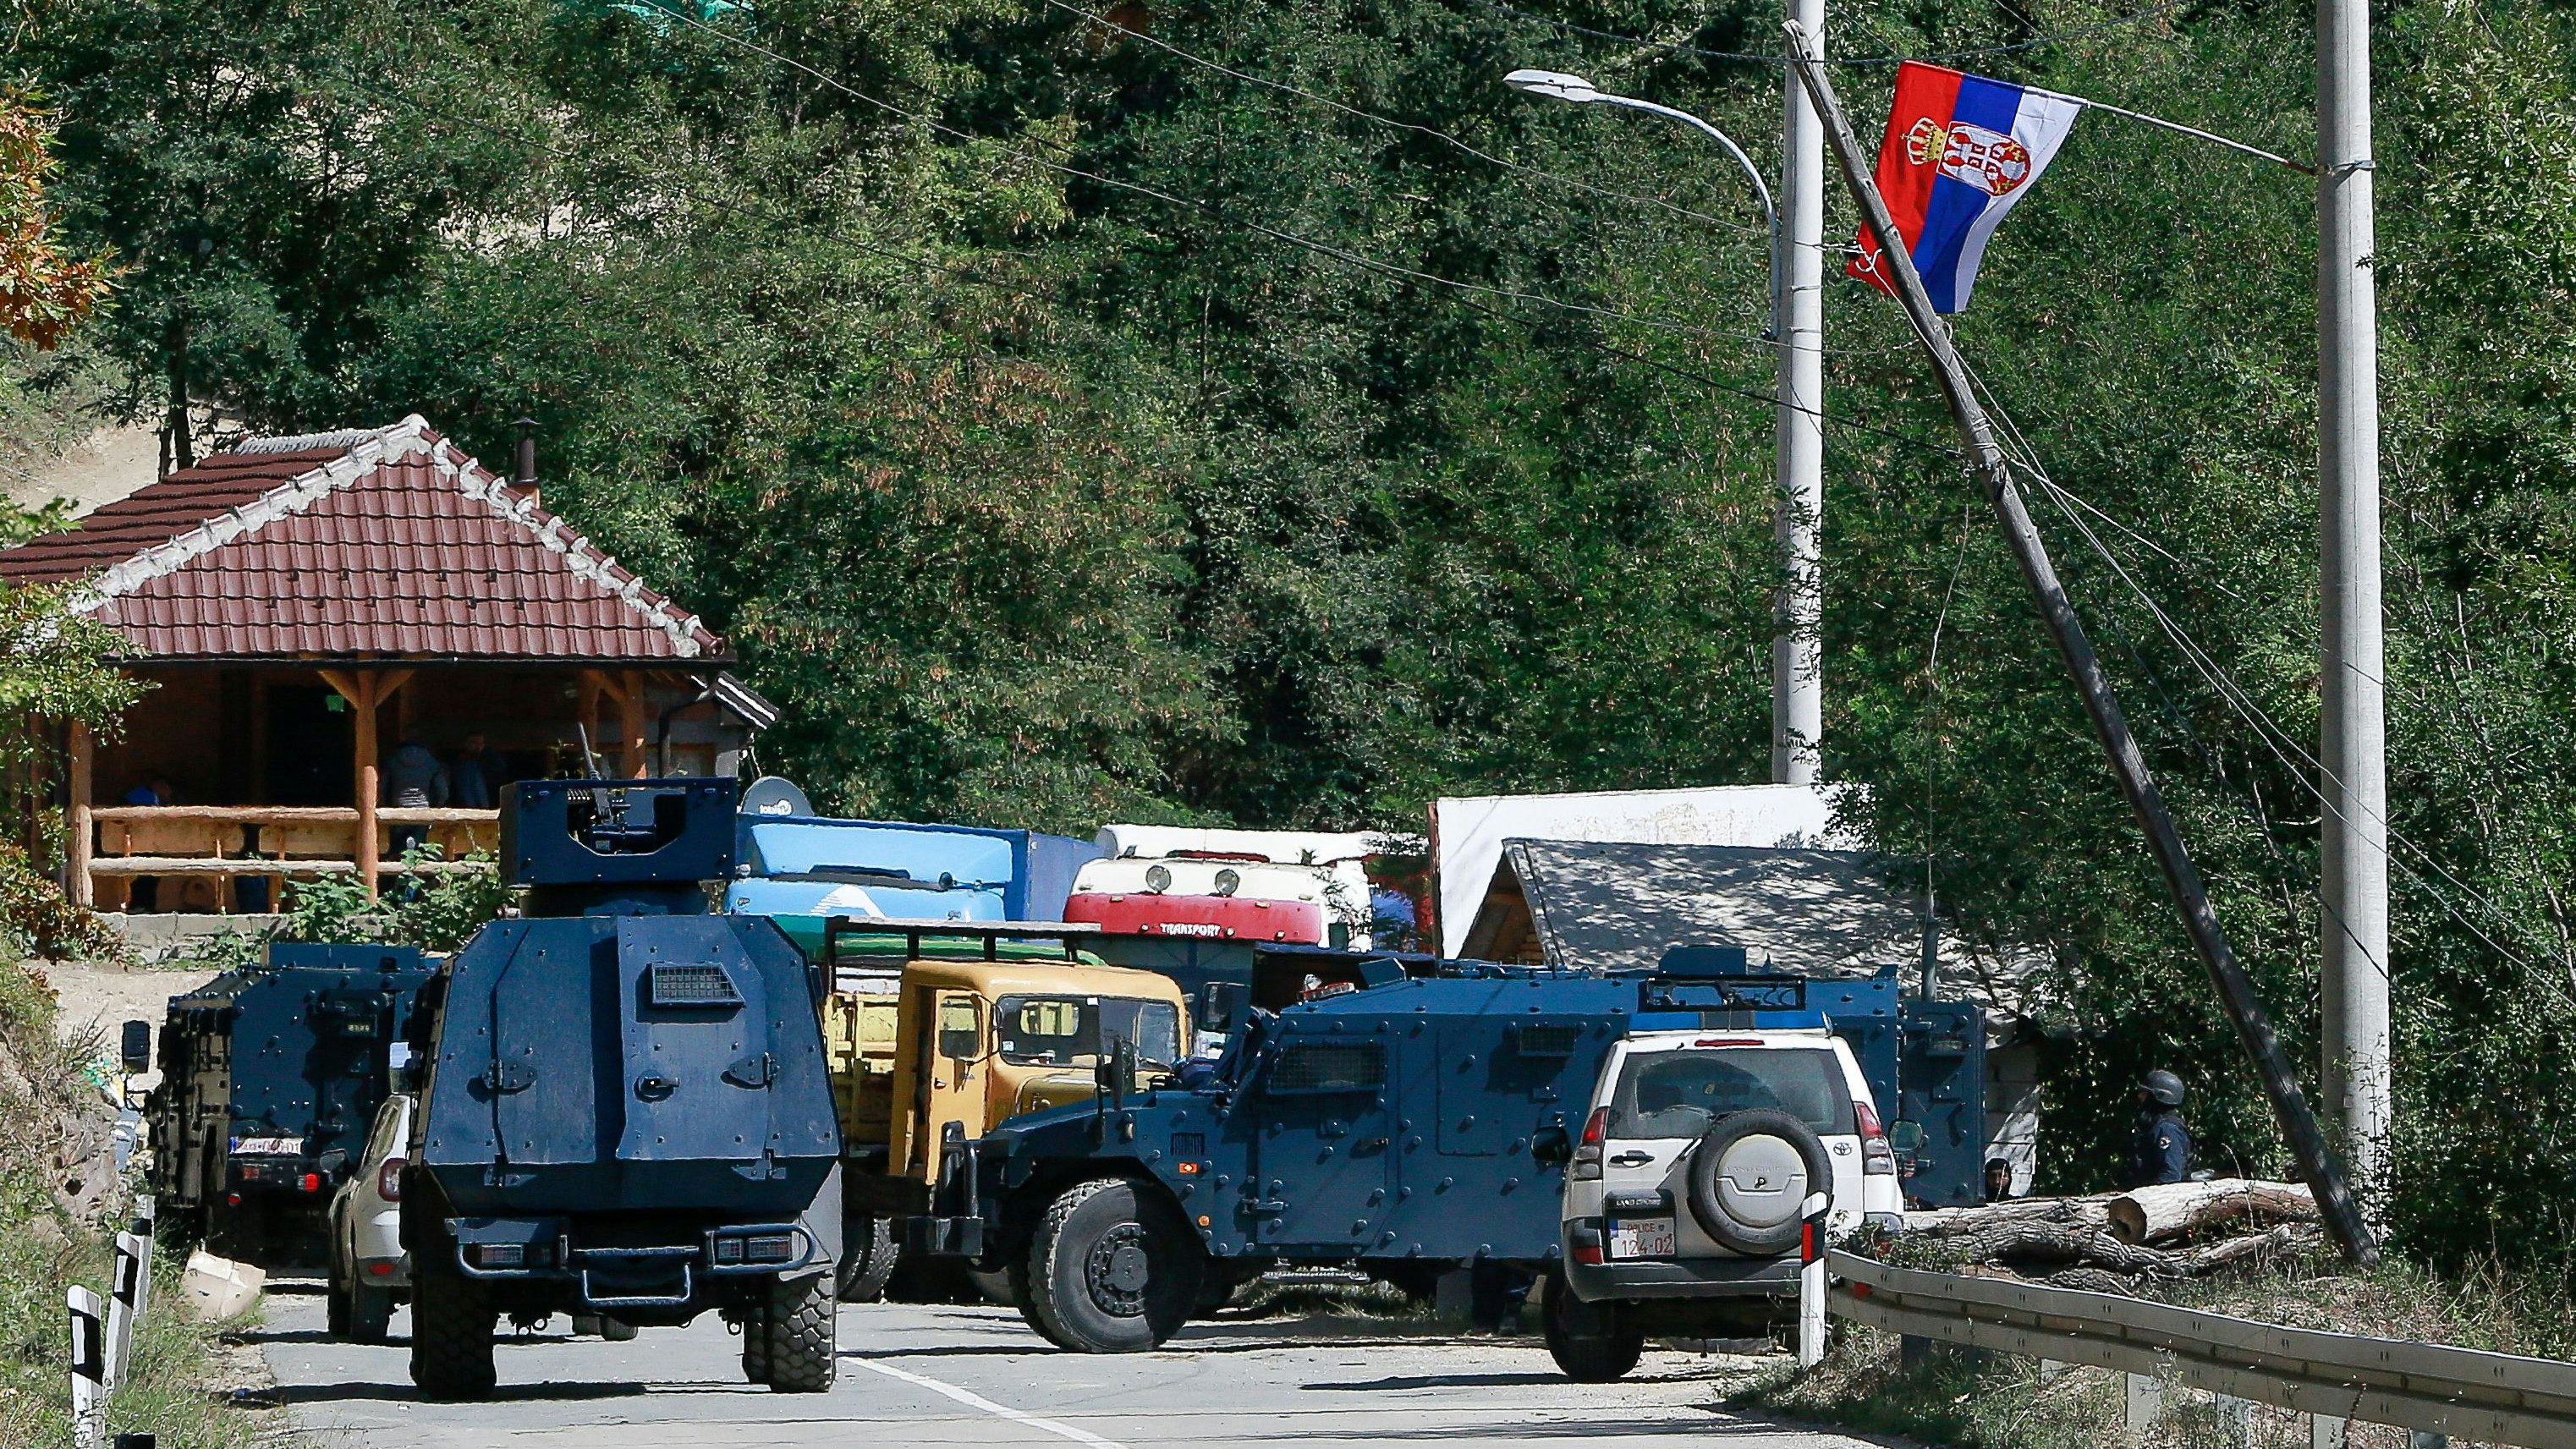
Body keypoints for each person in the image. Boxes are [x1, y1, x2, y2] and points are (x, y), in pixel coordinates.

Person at [2122, 1069, 2192, 1188]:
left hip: (2160, 1197)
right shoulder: (2154, 1126)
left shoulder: (2167, 1129)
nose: (2140, 1096)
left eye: (2145, 1093)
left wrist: (2148, 1195)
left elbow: (2171, 1176)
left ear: (2157, 1097)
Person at [383, 737, 448, 857]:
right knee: (419, 848)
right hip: (422, 810)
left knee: (397, 849)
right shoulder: (431, 762)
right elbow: (442, 791)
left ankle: (397, 865)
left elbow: (382, 788)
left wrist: (385, 805)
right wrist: (437, 806)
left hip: (398, 810)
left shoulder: (392, 761)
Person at [449, 733, 499, 810]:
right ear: (466, 744)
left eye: (481, 744)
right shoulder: (464, 764)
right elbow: (465, 792)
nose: (478, 747)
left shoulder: (484, 763)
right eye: (474, 743)